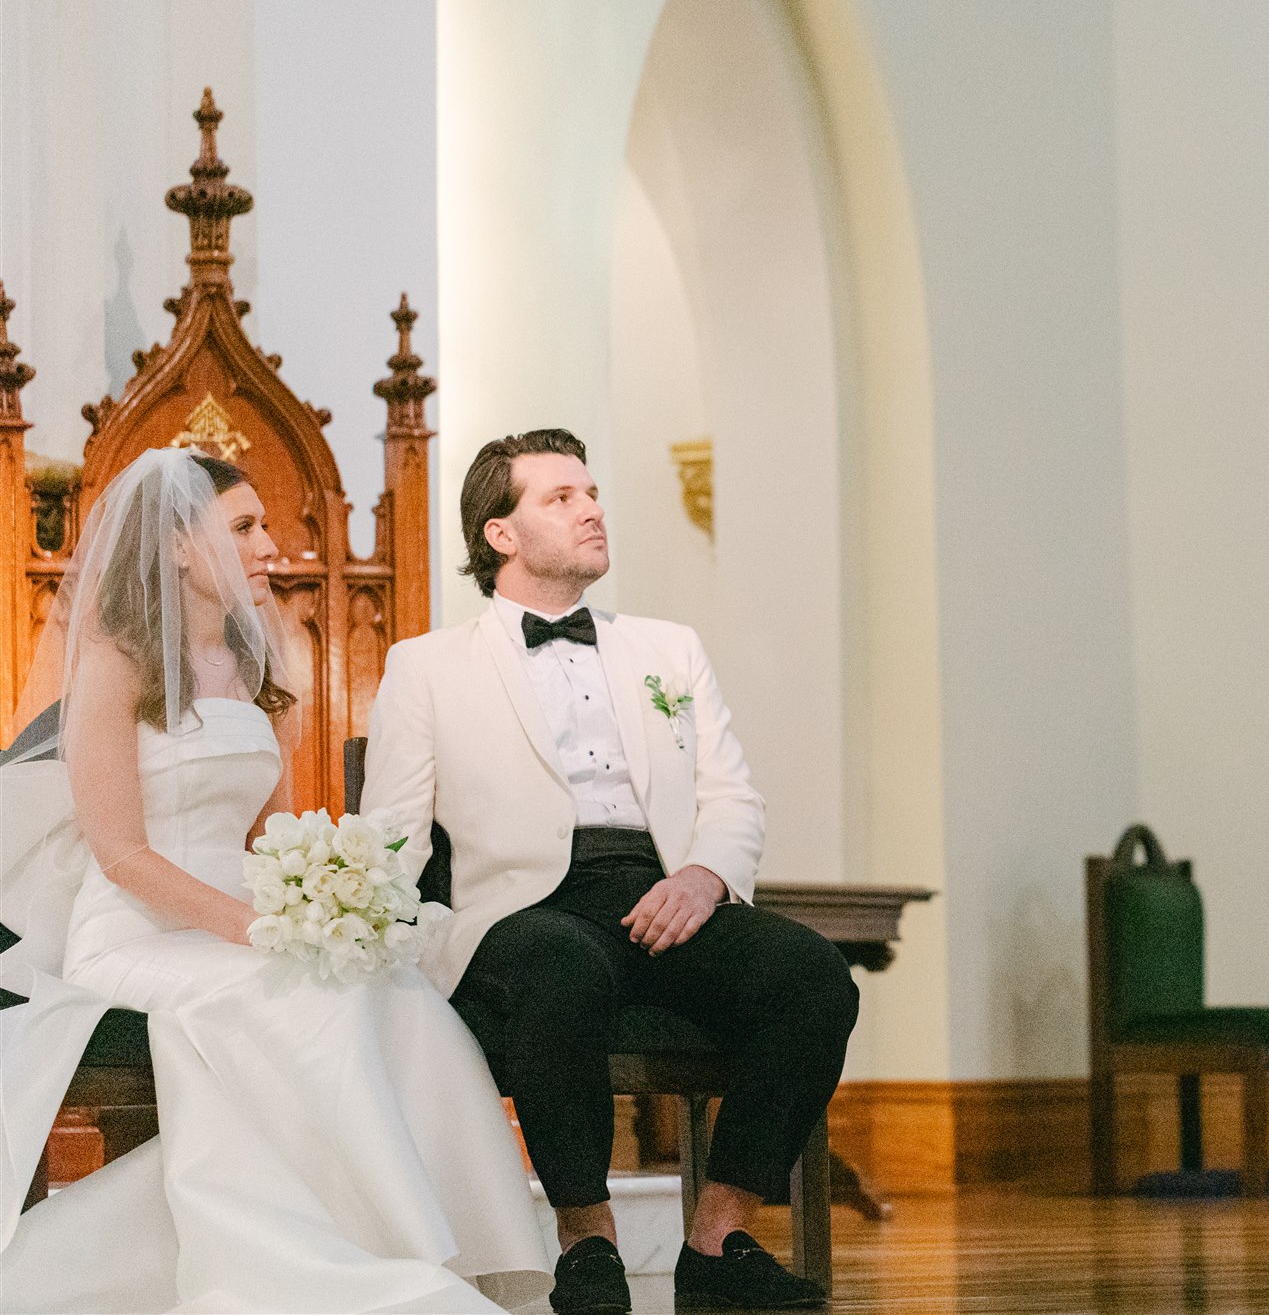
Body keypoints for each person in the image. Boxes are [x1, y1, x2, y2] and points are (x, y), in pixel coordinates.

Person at [0, 447, 548, 1313]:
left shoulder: (262, 668)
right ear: (180, 544)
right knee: (299, 997)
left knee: (401, 997)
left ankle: (421, 1247)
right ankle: (315, 1263)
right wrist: (250, 926)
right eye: (245, 527)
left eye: (269, 527)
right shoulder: (117, 659)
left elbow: (273, 839)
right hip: (135, 934)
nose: (271, 547)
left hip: (236, 927)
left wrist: (320, 896)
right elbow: (121, 855)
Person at [362, 428, 859, 1314]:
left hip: (665, 891)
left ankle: (716, 1239)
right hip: (522, 907)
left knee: (813, 976)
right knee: (560, 968)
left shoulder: (670, 649)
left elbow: (732, 796)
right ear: (500, 533)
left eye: (591, 493)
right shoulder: (427, 666)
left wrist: (704, 877)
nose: (592, 508)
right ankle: (586, 1243)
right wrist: (394, 958)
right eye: (560, 498)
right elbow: (391, 835)